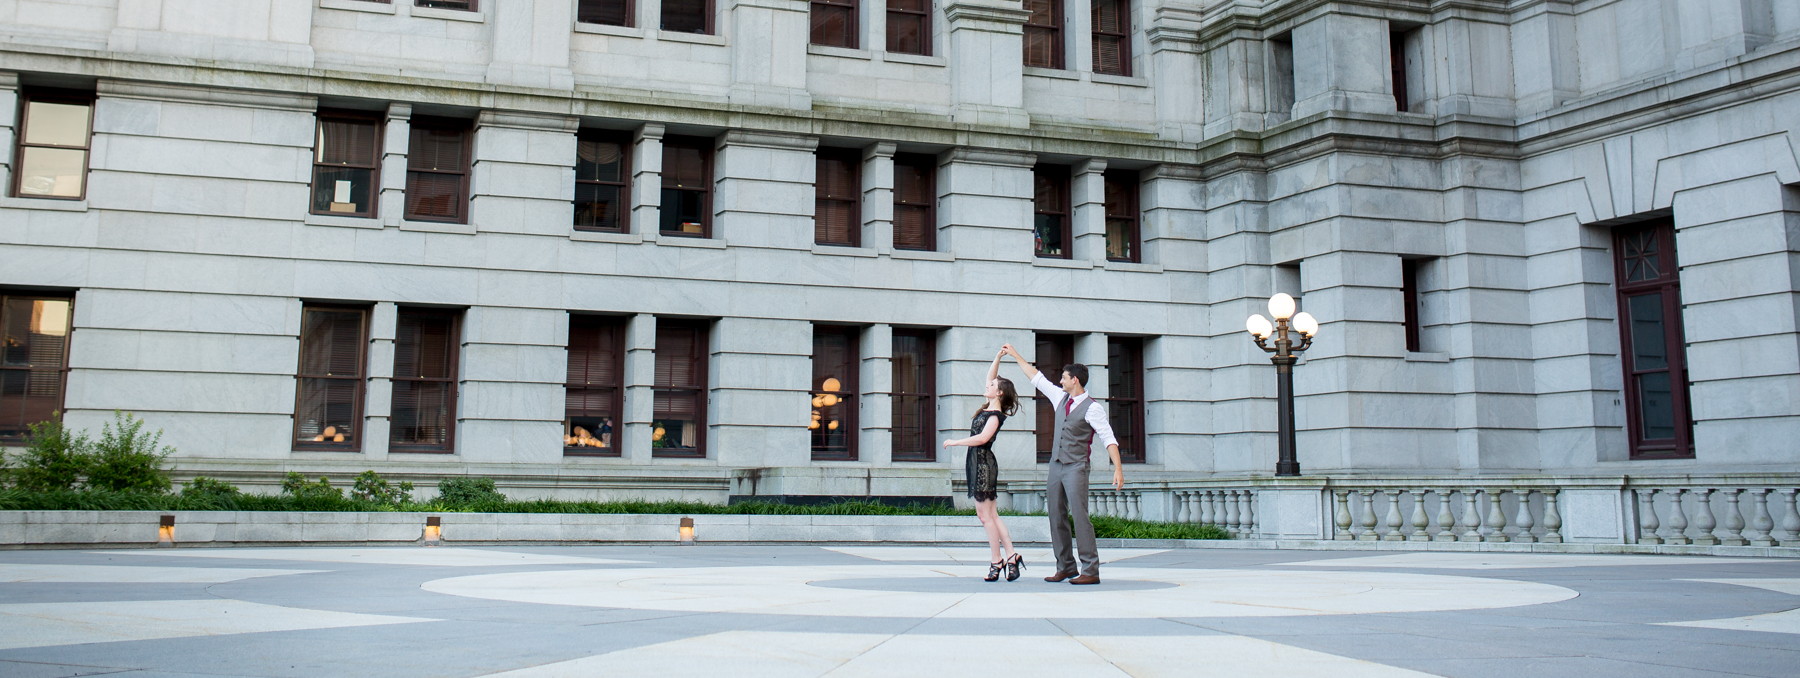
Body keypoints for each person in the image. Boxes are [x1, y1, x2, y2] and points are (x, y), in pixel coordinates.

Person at [1001, 343, 1123, 585]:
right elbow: (1036, 378)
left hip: (1077, 466)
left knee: (1079, 516)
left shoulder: (1093, 408)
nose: (1060, 381)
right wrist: (1015, 354)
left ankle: (1090, 570)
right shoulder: (1060, 397)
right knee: (1056, 515)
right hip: (1056, 465)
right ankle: (1066, 566)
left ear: (1074, 380)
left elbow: (1108, 439)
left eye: (1064, 378)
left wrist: (1118, 469)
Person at [942, 350, 1025, 582]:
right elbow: (991, 375)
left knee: (986, 517)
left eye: (992, 385)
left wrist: (955, 441)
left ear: (999, 392)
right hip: (977, 463)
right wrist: (998, 358)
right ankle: (1011, 556)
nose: (987, 385)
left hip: (983, 465)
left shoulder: (995, 415)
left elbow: (981, 439)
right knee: (991, 515)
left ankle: (997, 560)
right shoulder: (989, 406)